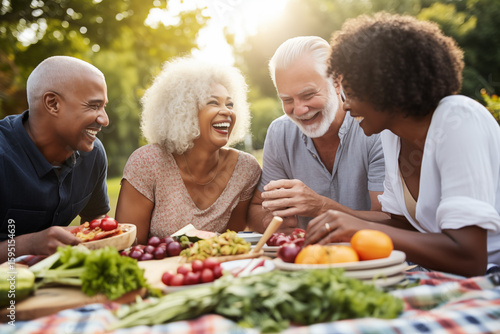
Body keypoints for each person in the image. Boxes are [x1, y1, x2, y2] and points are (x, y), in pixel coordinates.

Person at [305, 13, 500, 277]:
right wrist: (337, 217)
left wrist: (361, 228)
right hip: (439, 274)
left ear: (386, 86)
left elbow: (470, 257)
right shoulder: (392, 135)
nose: (346, 105)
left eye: (350, 92)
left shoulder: (458, 119)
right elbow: (402, 225)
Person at [247, 36, 388, 234]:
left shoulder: (375, 128)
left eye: (308, 95)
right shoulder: (280, 133)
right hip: (308, 260)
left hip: (372, 258)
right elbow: (256, 210)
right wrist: (268, 222)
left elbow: (392, 221)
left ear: (337, 81)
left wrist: (321, 206)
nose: (299, 110)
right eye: (287, 99)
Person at [115, 57, 261, 244]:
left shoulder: (245, 169)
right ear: (184, 111)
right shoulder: (148, 162)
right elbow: (127, 248)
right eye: (214, 103)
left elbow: (232, 244)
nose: (227, 111)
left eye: (230, 104)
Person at [0, 56, 111, 262]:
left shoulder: (93, 155)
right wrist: (29, 245)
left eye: (103, 107)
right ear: (53, 104)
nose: (104, 119)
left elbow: (96, 225)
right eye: (94, 106)